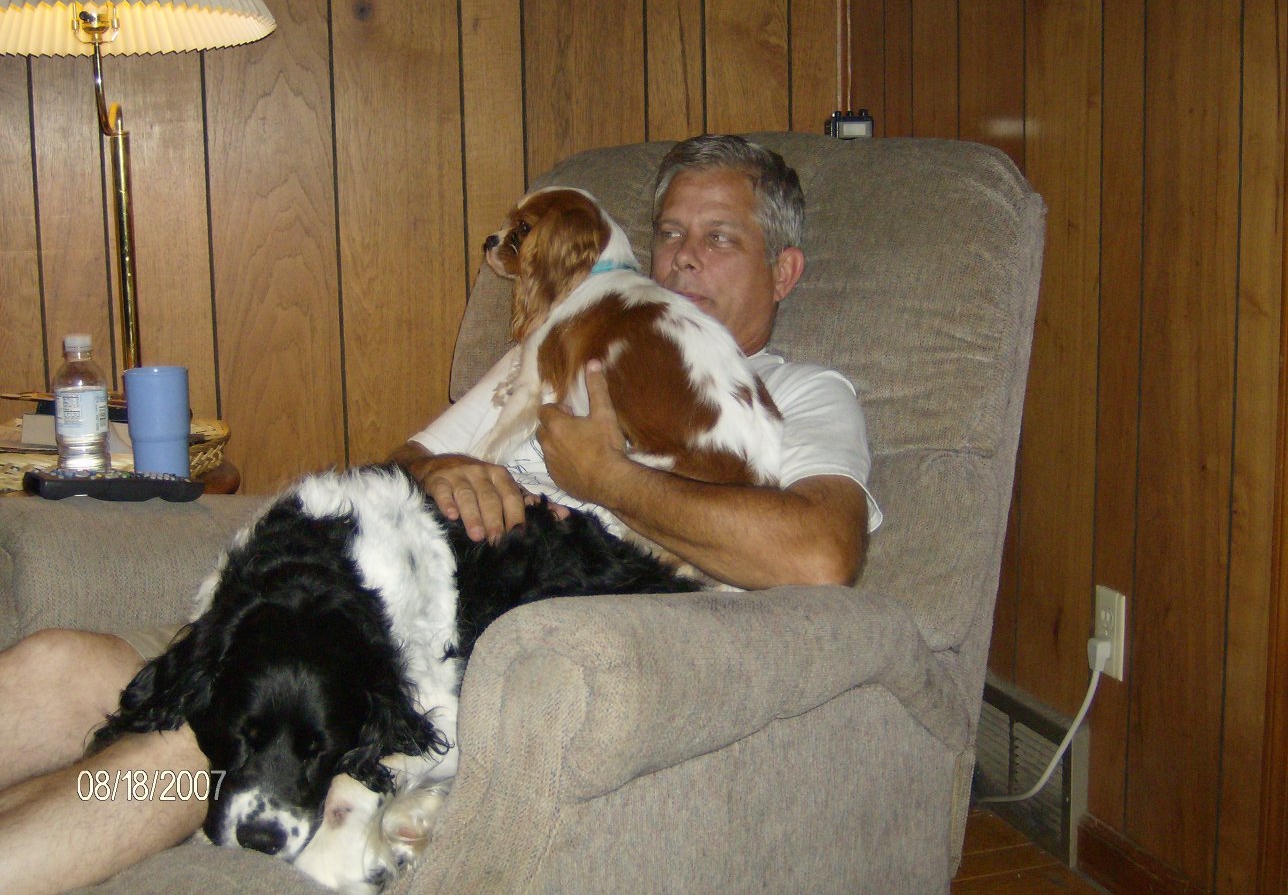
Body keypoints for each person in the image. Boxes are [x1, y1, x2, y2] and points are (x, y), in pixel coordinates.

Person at [0, 134, 878, 894]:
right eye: (671, 234)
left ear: (784, 272)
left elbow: (820, 557)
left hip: (447, 668)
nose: (681, 260)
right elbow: (397, 469)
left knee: (185, 748)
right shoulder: (580, 338)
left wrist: (607, 479)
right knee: (57, 664)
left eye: (719, 238)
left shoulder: (804, 396)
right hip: (361, 613)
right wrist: (448, 469)